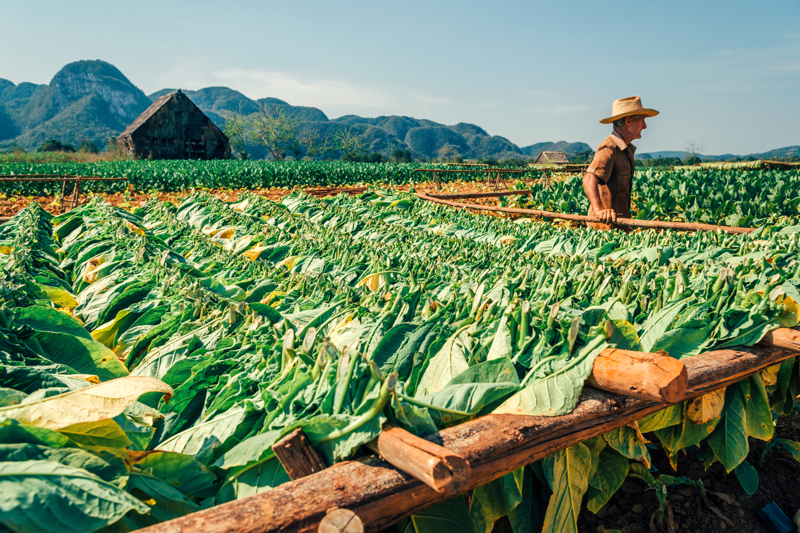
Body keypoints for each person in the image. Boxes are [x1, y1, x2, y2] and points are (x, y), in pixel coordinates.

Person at [582, 96, 659, 230]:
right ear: (628, 121)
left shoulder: (626, 150)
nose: (645, 126)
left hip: (620, 226)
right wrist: (599, 210)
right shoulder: (609, 148)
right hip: (604, 229)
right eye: (642, 120)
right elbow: (589, 178)